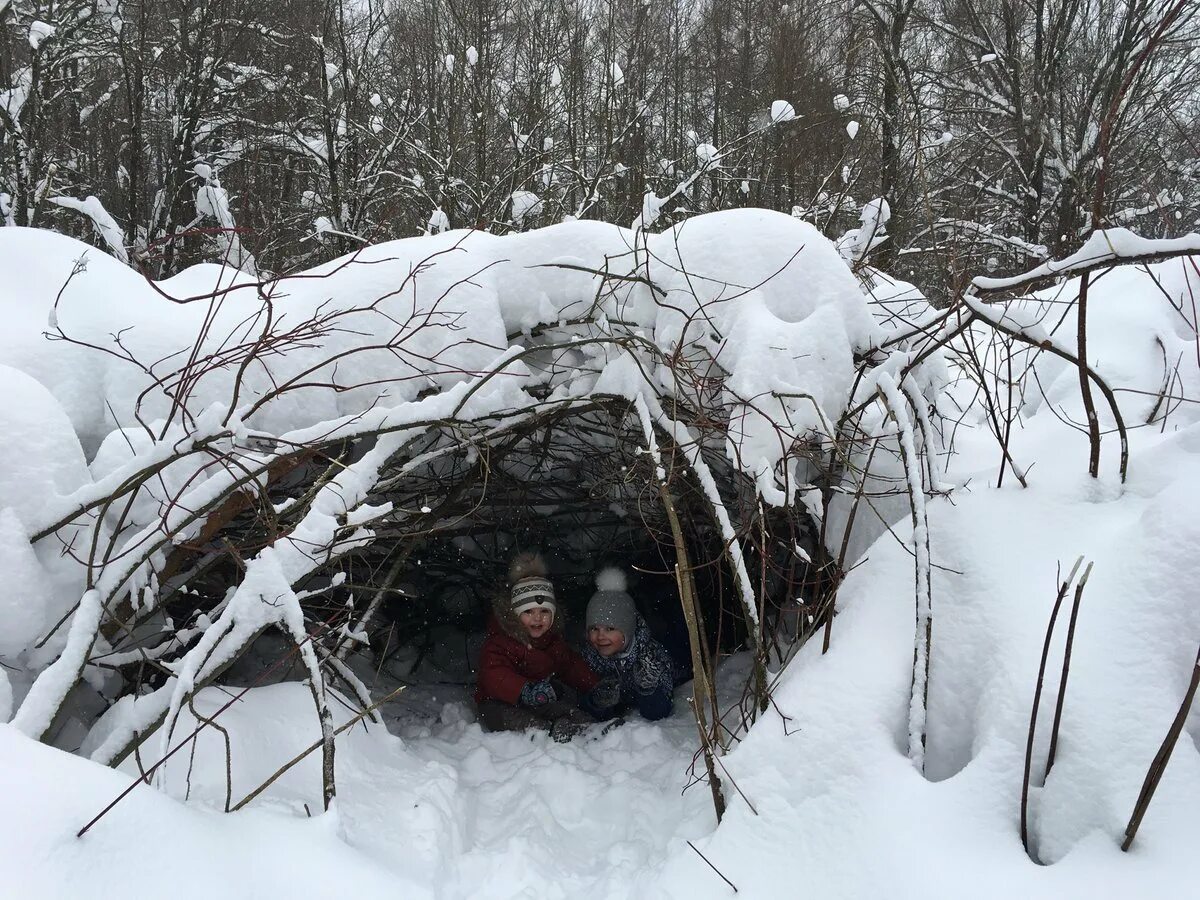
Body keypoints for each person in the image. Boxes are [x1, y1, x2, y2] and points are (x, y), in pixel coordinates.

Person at [474, 551, 599, 740]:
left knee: (566, 709)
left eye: (544, 611)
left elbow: (571, 666)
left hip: (540, 699)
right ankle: (545, 732)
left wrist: (595, 686)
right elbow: (493, 674)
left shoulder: (552, 642)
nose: (538, 618)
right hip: (498, 703)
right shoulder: (501, 641)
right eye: (529, 611)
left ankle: (589, 729)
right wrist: (524, 690)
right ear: (515, 614)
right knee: (521, 720)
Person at [580, 567, 674, 722]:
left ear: (627, 631)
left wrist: (648, 688)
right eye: (594, 629)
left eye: (610, 629)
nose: (600, 636)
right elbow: (584, 705)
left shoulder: (650, 655)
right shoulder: (589, 657)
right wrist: (596, 701)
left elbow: (658, 712)